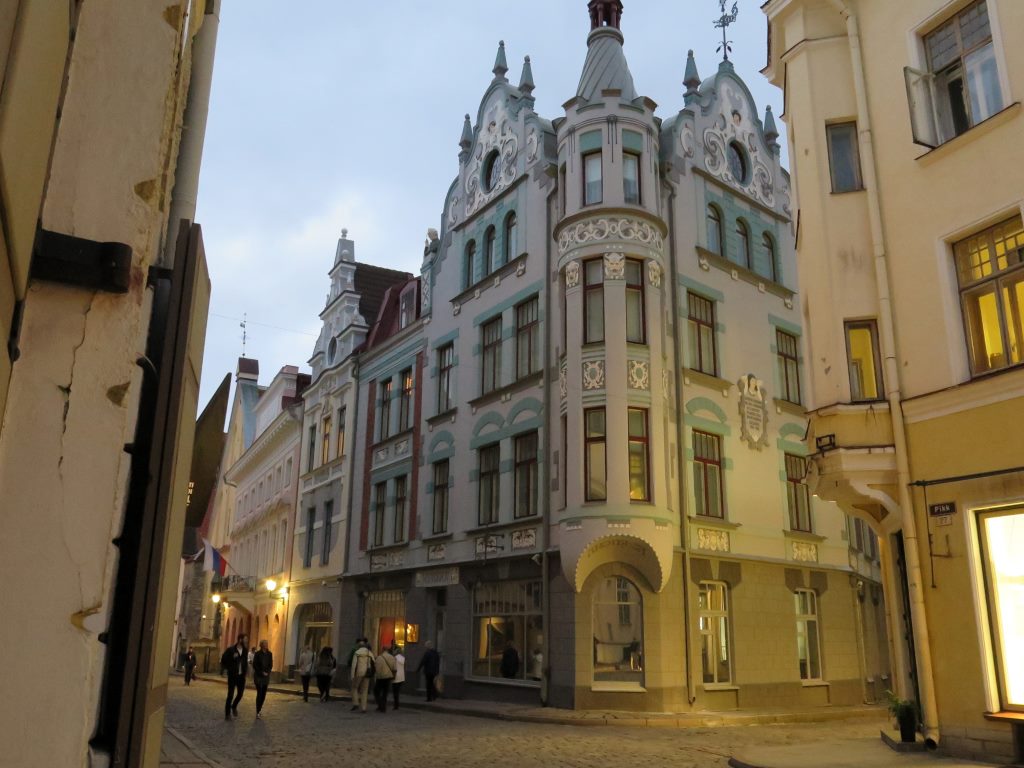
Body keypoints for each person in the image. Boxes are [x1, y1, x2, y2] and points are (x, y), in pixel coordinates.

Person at [220, 634, 248, 720]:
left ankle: (234, 706)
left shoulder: (245, 650)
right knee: (230, 695)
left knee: (240, 694)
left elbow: (245, 662)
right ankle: (227, 714)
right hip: (232, 675)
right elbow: (223, 660)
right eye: (245, 639)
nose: (246, 641)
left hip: (241, 676)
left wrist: (245, 670)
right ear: (240, 640)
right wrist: (228, 668)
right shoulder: (231, 650)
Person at [349, 638, 374, 713]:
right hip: (367, 673)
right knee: (364, 690)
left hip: (359, 673)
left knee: (354, 687)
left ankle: (356, 703)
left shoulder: (357, 653)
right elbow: (373, 663)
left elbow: (354, 665)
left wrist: (352, 675)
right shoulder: (369, 653)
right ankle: (364, 707)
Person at [252, 639, 273, 718]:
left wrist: (267, 672)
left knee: (263, 694)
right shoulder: (257, 654)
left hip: (266, 677)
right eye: (265, 643)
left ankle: (260, 709)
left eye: (267, 643)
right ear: (261, 645)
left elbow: (270, 665)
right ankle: (258, 711)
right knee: (259, 693)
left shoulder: (270, 654)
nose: (266, 645)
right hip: (258, 676)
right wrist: (261, 672)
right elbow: (255, 665)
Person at [373, 645, 397, 713]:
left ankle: (380, 705)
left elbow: (376, 668)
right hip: (388, 677)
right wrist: (394, 677)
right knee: (385, 693)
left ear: (382, 650)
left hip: (380, 678)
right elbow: (394, 669)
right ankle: (383, 707)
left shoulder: (379, 658)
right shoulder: (392, 657)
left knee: (376, 691)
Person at [391, 644, 406, 710]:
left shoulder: (395, 658)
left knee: (395, 692)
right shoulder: (403, 658)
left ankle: (396, 705)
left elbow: (393, 667)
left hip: (396, 676)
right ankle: (397, 704)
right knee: (397, 691)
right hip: (401, 677)